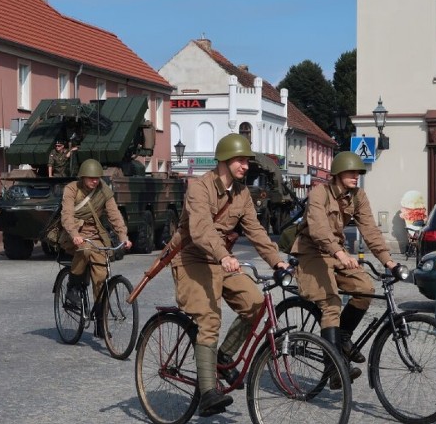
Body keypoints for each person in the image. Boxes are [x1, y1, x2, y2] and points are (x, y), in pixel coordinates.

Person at [169, 134, 288, 417]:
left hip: (223, 260)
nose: (245, 165)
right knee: (209, 318)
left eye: (247, 160)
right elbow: (200, 230)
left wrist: (277, 262)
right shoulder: (199, 189)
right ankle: (209, 392)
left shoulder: (242, 194)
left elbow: (256, 232)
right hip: (192, 258)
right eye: (239, 160)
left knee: (257, 304)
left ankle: (225, 353)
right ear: (223, 160)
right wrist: (223, 255)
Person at [290, 151, 396, 390]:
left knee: (365, 289)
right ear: (337, 174)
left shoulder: (358, 196)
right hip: (312, 252)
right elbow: (318, 229)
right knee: (331, 303)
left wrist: (389, 262)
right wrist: (341, 254)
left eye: (358, 172)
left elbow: (370, 230)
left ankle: (343, 337)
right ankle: (334, 367)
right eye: (351, 172)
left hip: (336, 253)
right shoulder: (319, 193)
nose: (356, 176)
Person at [61, 159, 132, 315]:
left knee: (102, 276)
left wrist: (123, 236)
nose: (94, 181)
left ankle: (101, 317)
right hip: (74, 233)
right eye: (90, 178)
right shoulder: (72, 189)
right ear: (82, 177)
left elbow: (115, 215)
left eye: (97, 178)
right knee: (84, 250)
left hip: (96, 235)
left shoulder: (104, 190)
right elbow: (67, 216)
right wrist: (74, 235)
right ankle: (73, 287)